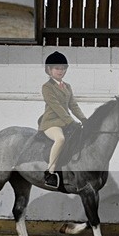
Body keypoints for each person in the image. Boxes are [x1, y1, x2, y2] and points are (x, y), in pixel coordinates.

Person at [38, 51, 88, 188]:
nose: (60, 71)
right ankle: (50, 172)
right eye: (57, 68)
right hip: (51, 123)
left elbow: (73, 105)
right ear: (49, 70)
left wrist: (84, 119)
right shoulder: (47, 87)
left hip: (66, 123)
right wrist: (70, 122)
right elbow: (57, 107)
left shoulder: (67, 86)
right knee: (60, 139)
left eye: (63, 68)